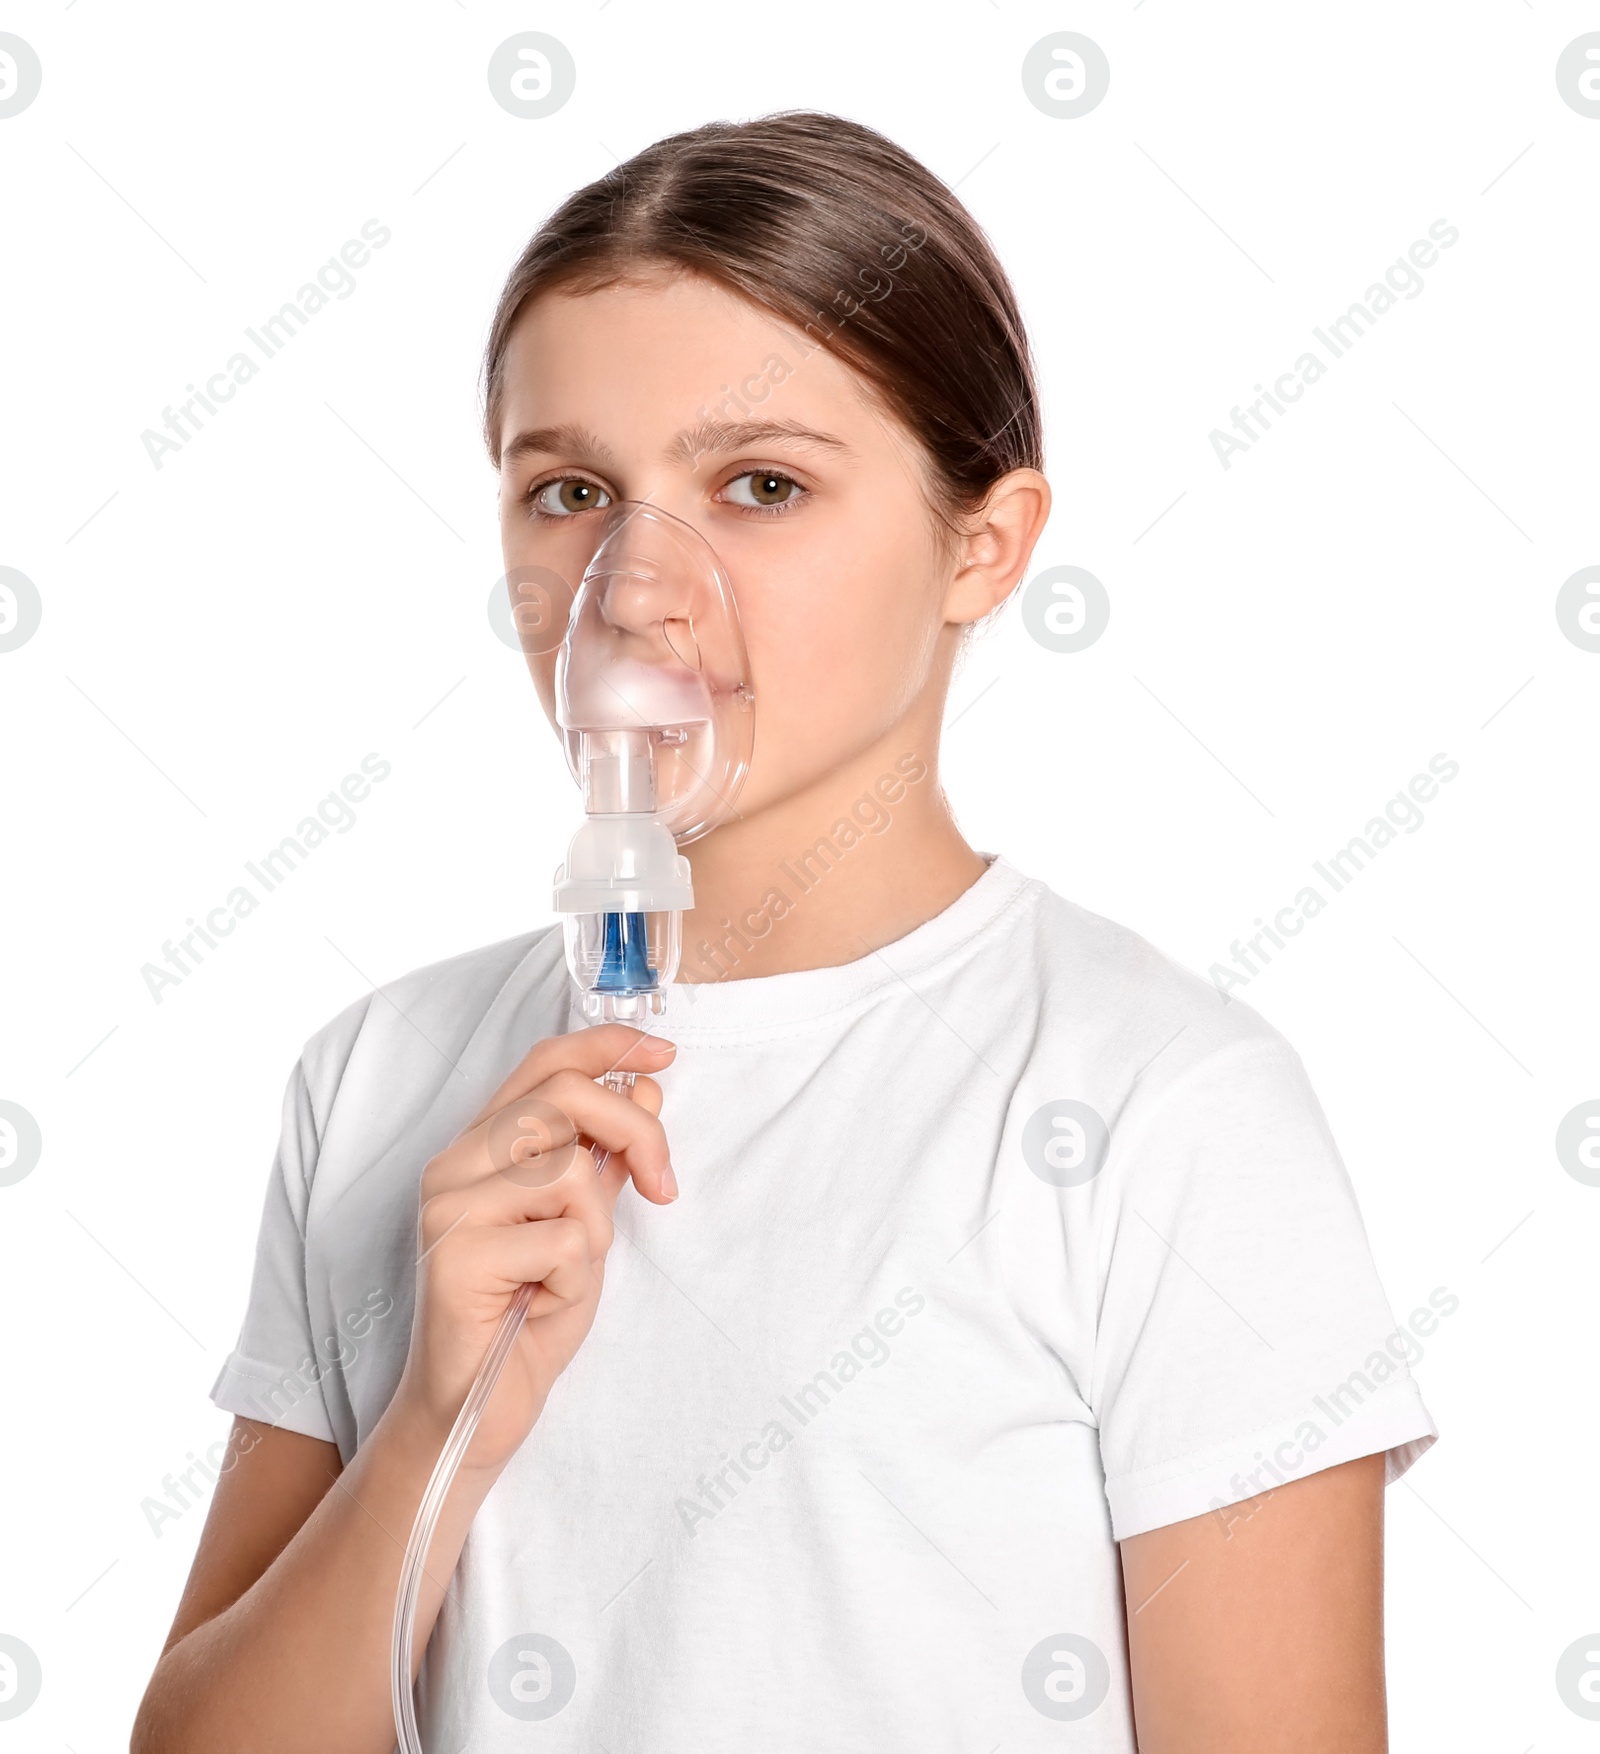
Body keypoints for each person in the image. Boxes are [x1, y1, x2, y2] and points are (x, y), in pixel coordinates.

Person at [133, 111, 1436, 1753]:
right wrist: (432, 1429)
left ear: (984, 544)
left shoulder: (1159, 1111)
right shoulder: (385, 1081)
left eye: (760, 486)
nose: (634, 585)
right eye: (570, 489)